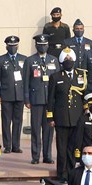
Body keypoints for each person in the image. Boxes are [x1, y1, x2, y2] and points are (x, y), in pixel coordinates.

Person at [47, 48, 86, 182]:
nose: (68, 61)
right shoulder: (55, 77)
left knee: (74, 148)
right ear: (62, 61)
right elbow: (51, 98)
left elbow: (84, 96)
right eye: (66, 59)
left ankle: (72, 173)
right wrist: (50, 117)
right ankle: (61, 174)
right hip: (61, 118)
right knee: (62, 149)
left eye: (70, 59)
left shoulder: (81, 76)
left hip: (76, 118)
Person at [24, 34, 59, 165]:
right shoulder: (30, 61)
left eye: (44, 45)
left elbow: (58, 81)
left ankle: (47, 155)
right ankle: (35, 155)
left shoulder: (54, 60)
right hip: (36, 99)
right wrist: (26, 99)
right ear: (36, 45)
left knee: (49, 129)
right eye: (40, 45)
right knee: (35, 129)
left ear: (48, 45)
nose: (42, 47)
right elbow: (26, 81)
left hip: (50, 101)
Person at [0, 36, 26, 154]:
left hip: (20, 95)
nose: (12, 48)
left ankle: (16, 145)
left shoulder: (24, 59)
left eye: (14, 46)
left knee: (18, 121)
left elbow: (27, 78)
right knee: (6, 121)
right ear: (6, 46)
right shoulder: (0, 60)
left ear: (17, 46)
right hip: (6, 94)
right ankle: (7, 145)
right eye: (10, 46)